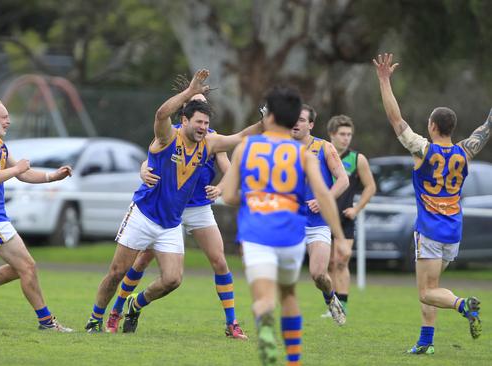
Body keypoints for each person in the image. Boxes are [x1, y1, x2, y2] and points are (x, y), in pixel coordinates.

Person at [85, 69, 263, 333]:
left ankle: (135, 304)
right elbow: (160, 115)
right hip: (144, 215)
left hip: (171, 222)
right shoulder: (168, 136)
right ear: (184, 118)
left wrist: (267, 121)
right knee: (117, 271)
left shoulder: (210, 142)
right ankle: (96, 319)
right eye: (198, 122)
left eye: (205, 123)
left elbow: (240, 138)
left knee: (173, 279)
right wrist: (190, 91)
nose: (203, 127)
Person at [223, 85, 347, 366]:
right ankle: (293, 360)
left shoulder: (246, 147)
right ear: (293, 120)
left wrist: (257, 199)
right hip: (291, 230)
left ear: (269, 117)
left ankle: (265, 324)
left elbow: (229, 195)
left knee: (265, 296)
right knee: (289, 293)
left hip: (256, 231)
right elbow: (325, 195)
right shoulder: (303, 155)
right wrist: (340, 237)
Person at [374, 53, 486, 354]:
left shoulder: (423, 149)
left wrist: (384, 80)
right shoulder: (466, 151)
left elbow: (396, 120)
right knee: (433, 287)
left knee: (426, 292)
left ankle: (464, 305)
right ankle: (426, 342)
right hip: (454, 232)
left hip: (430, 230)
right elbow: (484, 130)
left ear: (434, 126)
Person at [0, 97, 73, 332]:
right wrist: (16, 168)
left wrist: (52, 177)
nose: (8, 121)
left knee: (21, 267)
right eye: (4, 116)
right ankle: (47, 322)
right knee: (28, 267)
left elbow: (23, 174)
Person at [290, 104, 349, 325]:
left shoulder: (324, 148)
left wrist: (324, 200)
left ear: (311, 125)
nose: (296, 123)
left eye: (302, 120)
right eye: (294, 119)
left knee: (319, 275)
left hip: (316, 222)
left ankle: (330, 298)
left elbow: (343, 179)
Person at [322, 115, 377, 318]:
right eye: (342, 134)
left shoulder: (357, 159)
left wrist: (356, 209)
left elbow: (370, 187)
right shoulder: (323, 154)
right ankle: (331, 304)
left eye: (349, 135)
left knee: (342, 260)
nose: (346, 138)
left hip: (345, 218)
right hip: (323, 217)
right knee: (328, 264)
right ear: (332, 135)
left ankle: (341, 305)